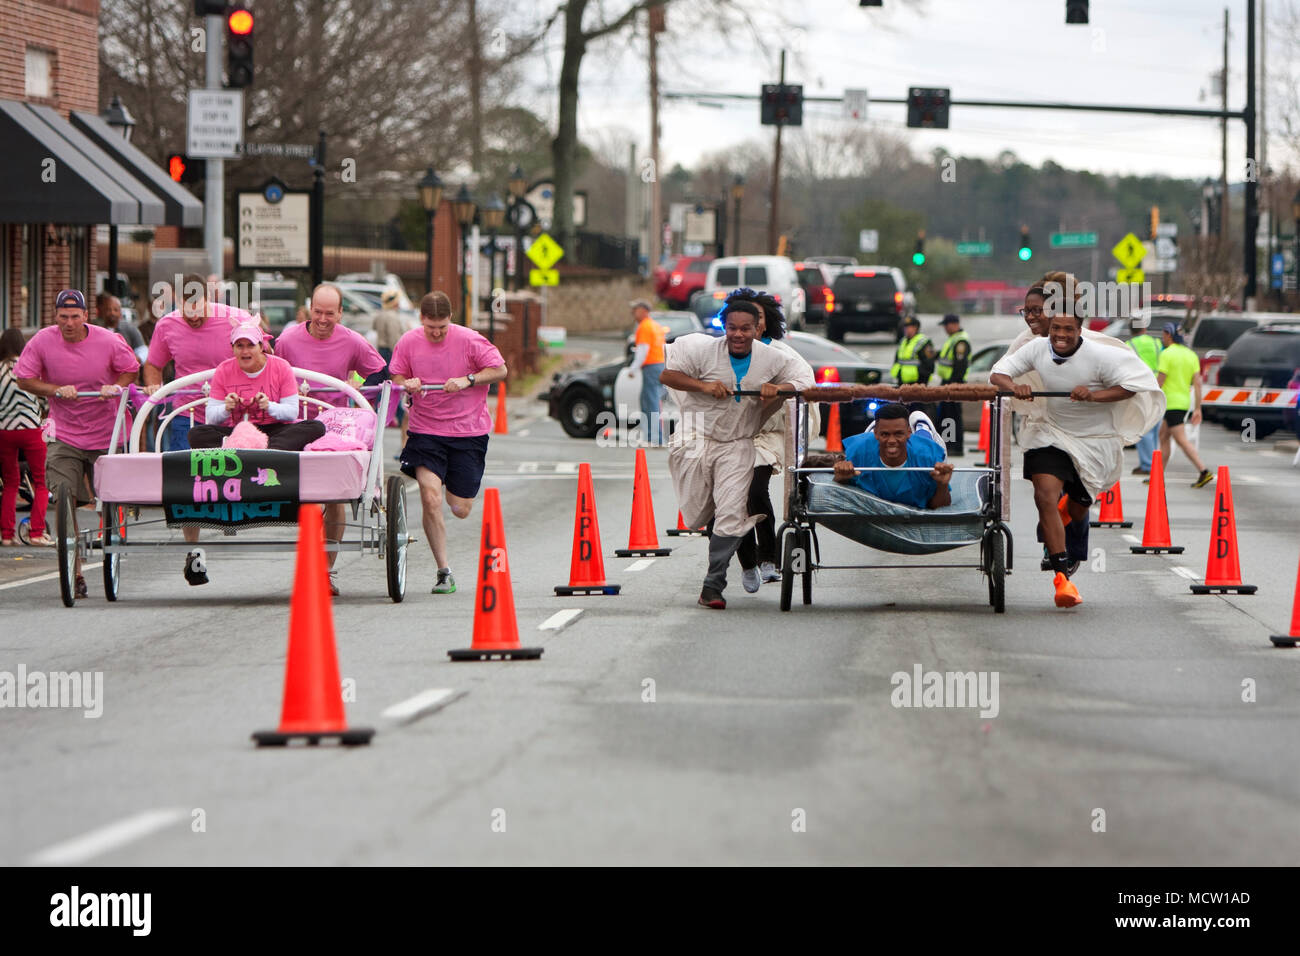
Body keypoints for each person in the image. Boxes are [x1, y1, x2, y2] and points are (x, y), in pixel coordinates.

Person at [990, 299, 1163, 609]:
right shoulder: (1037, 348)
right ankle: (1062, 579)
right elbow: (998, 373)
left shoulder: (1100, 355)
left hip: (1095, 442)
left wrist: (1094, 396)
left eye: (1068, 329)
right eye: (1055, 328)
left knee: (1079, 507)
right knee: (1044, 495)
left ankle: (1065, 512)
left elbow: (1133, 384)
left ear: (1079, 329)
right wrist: (1015, 386)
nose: (1060, 335)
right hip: (1050, 434)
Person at [660, 299, 815, 609]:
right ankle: (731, 554)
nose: (739, 335)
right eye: (732, 328)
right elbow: (668, 376)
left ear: (757, 328)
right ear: (724, 327)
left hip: (738, 444)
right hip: (698, 438)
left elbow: (804, 384)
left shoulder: (772, 358)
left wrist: (778, 388)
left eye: (746, 328)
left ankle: (713, 585)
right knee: (701, 513)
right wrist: (703, 387)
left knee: (731, 513)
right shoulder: (702, 350)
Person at [14, 290, 139, 597]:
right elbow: (24, 378)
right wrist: (55, 390)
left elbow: (131, 367)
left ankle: (110, 530)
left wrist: (115, 387)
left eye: (74, 317)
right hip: (66, 433)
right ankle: (76, 570)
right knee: (63, 492)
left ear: (85, 316)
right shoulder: (43, 341)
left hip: (105, 431)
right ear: (55, 317)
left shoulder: (108, 341)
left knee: (107, 495)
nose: (68, 323)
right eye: (62, 317)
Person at [390, 291, 507, 595]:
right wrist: (408, 383)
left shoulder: (470, 340)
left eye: (442, 326)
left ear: (450, 319)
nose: (437, 333)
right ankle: (444, 571)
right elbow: (397, 376)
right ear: (422, 320)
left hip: (468, 432)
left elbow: (500, 369)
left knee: (460, 508)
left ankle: (451, 487)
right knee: (431, 497)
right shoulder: (409, 342)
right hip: (426, 431)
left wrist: (468, 380)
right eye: (431, 327)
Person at [274, 283, 388, 594]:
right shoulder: (287, 339)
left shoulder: (352, 341)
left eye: (330, 314)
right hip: (296, 422)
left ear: (340, 313)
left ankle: (326, 570)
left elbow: (379, 373)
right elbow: (273, 372)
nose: (323, 319)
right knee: (306, 497)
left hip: (334, 427)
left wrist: (358, 391)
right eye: (317, 312)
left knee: (335, 496)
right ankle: (310, 555)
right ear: (309, 310)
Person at [144, 274, 254, 583]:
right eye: (186, 310)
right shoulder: (167, 325)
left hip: (230, 410)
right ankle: (193, 551)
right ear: (178, 302)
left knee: (227, 472)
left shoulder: (235, 319)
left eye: (199, 309)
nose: (193, 317)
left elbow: (263, 353)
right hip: (185, 412)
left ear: (210, 299)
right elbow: (154, 363)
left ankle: (230, 511)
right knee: (187, 477)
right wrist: (154, 384)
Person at [730, 289, 818, 593]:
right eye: (738, 323)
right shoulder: (722, 352)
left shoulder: (780, 355)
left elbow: (805, 380)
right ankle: (748, 562)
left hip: (767, 436)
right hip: (730, 437)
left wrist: (781, 388)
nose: (746, 327)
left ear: (763, 324)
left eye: (756, 319)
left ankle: (768, 556)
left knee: (754, 489)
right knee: (733, 501)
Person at [188, 323, 326, 451]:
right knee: (196, 433)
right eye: (240, 346)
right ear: (233, 348)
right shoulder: (223, 370)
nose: (245, 351)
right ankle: (254, 449)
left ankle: (263, 449)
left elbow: (291, 413)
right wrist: (226, 407)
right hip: (238, 432)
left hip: (274, 430)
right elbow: (212, 416)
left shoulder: (281, 366)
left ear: (261, 347)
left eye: (250, 345)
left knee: (316, 427)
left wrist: (269, 406)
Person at [833, 403, 955, 508]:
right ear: (876, 434)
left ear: (908, 432)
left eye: (898, 434)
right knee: (869, 444)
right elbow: (841, 492)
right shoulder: (857, 454)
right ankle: (879, 433)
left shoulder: (929, 458)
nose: (891, 440)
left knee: (923, 443)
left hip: (923, 448)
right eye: (885, 434)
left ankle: (922, 427)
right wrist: (841, 477)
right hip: (868, 445)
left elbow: (940, 505)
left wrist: (942, 485)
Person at [1, 328, 51, 547]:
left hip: (4, 431)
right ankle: (36, 532)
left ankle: (7, 535)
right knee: (41, 482)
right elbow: (46, 402)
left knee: (11, 483)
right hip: (31, 429)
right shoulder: (30, 368)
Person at [1155, 322, 1213, 488]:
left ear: (1169, 335)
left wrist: (1147, 396)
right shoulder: (1191, 355)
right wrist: (1197, 408)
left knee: (1181, 441)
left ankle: (1203, 471)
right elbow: (1198, 384)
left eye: (1164, 334)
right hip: (1183, 402)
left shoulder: (1167, 354)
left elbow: (1160, 380)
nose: (1162, 338)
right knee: (1163, 436)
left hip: (1171, 402)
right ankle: (1157, 476)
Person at [624, 299, 667, 445]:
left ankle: (654, 437)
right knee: (650, 400)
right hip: (659, 364)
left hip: (651, 365)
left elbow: (642, 350)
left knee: (651, 401)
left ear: (643, 311)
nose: (632, 312)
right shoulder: (655, 325)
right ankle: (652, 436)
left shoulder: (644, 327)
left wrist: (633, 369)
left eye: (635, 309)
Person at [1128, 315, 1163, 475]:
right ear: (1144, 328)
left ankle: (1148, 465)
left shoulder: (1129, 345)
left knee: (1144, 428)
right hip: (1158, 386)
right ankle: (1155, 461)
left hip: (1142, 388)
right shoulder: (1157, 343)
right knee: (1156, 428)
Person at [933, 312, 971, 455]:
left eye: (946, 325)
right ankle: (947, 444)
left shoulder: (961, 341)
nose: (945, 328)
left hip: (954, 384)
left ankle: (955, 446)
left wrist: (953, 385)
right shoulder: (953, 339)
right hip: (947, 383)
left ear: (954, 325)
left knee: (952, 415)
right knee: (945, 414)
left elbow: (960, 366)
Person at [95, 292, 147, 363]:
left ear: (120, 313)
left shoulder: (130, 329)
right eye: (109, 309)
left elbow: (142, 350)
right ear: (103, 311)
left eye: (115, 310)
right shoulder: (97, 329)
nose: (112, 313)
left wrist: (134, 361)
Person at [891, 315, 935, 385]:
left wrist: (922, 382)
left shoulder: (924, 342)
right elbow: (897, 360)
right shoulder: (903, 341)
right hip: (902, 382)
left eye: (909, 327)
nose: (906, 329)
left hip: (917, 383)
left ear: (916, 327)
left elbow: (929, 365)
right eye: (905, 327)